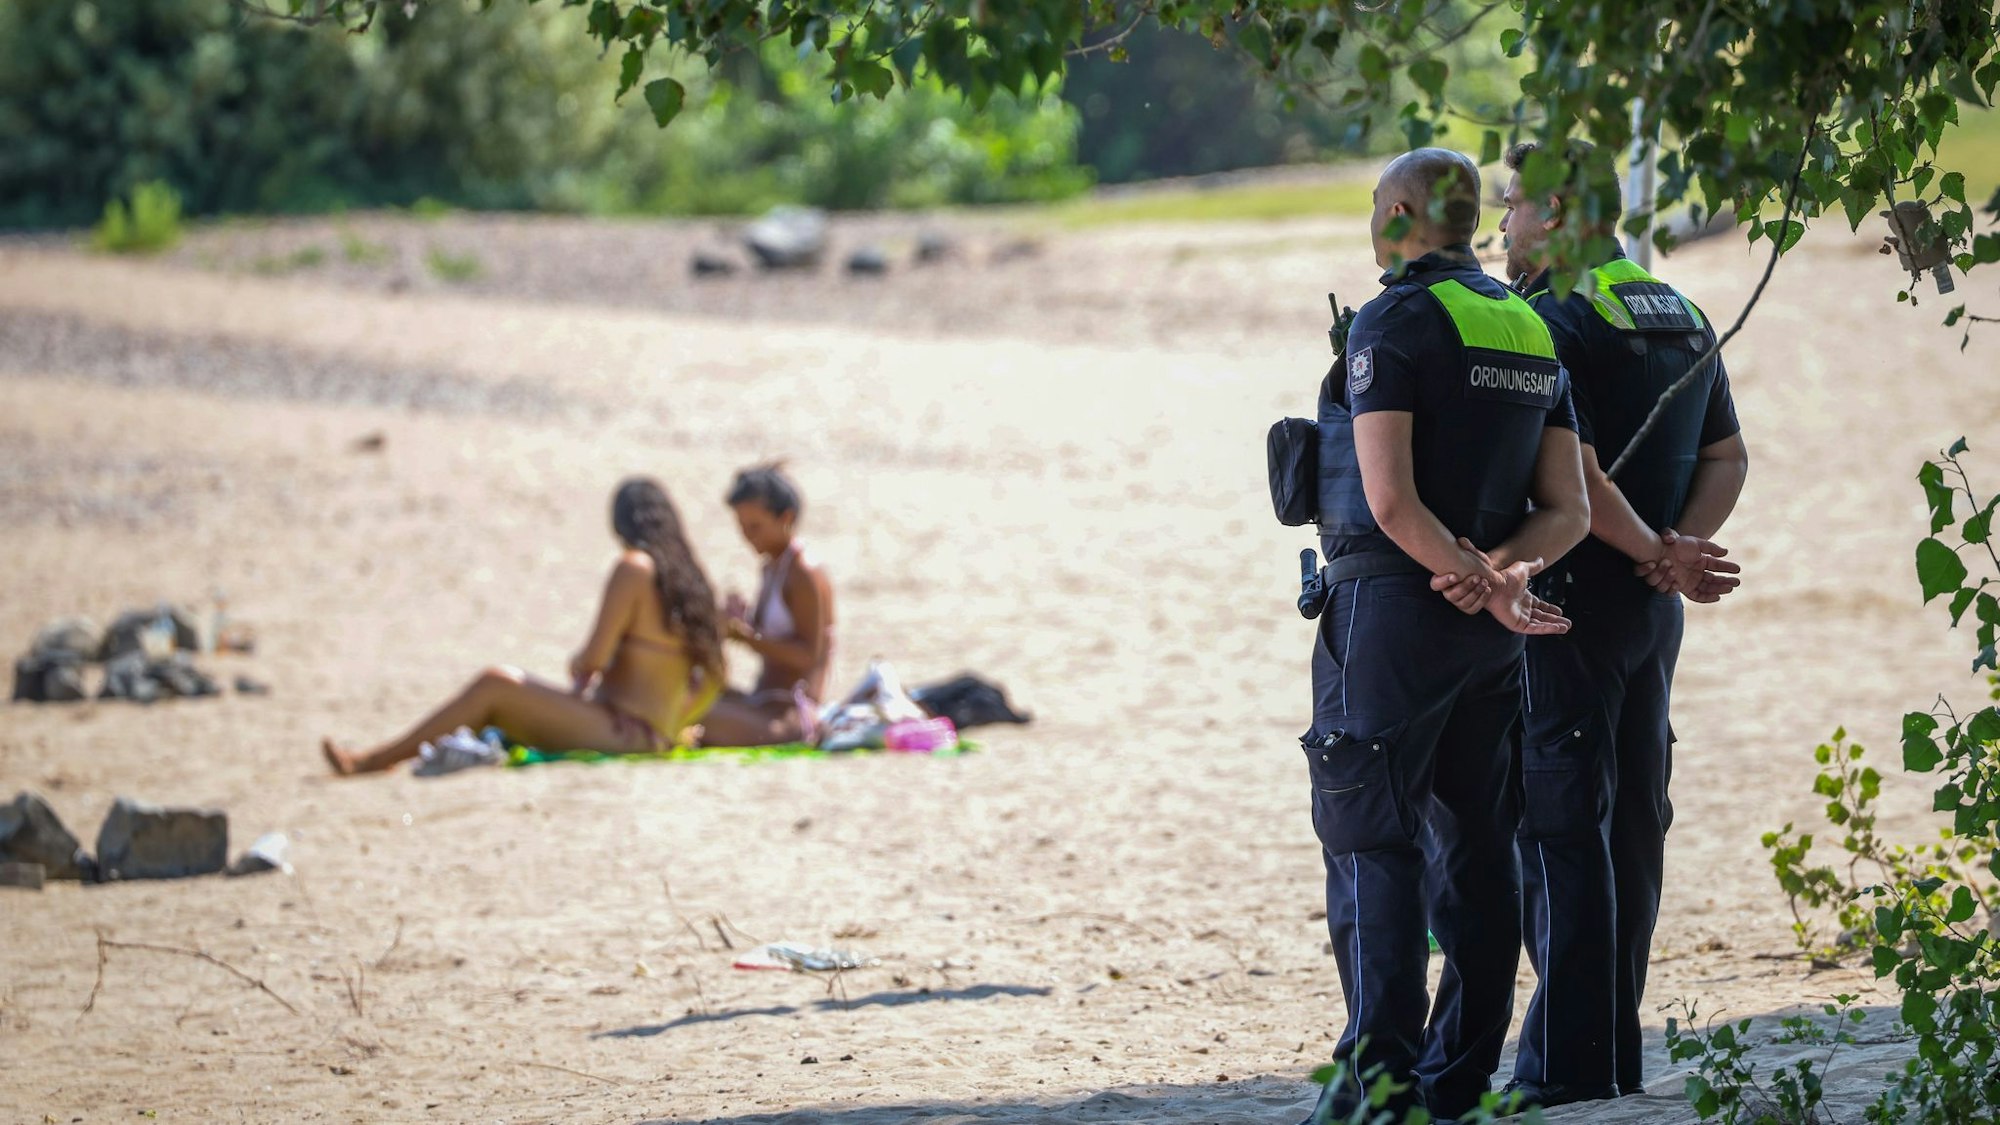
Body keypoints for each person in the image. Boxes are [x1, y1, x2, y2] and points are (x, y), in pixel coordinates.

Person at [1301, 147, 1592, 1124]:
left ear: (1395, 214)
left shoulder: (1390, 321)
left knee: (1369, 842)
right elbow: (1568, 509)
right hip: (1486, 639)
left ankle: (1375, 1086)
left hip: (1389, 617)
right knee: (1476, 850)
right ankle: (1456, 1079)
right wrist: (1502, 579)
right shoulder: (1526, 326)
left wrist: (1463, 572)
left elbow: (1387, 498)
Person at [1495, 139, 1749, 1108]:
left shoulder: (1545, 316)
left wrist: (1645, 544)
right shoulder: (1677, 310)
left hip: (1567, 602)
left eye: (1514, 205)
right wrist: (1679, 548)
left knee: (1559, 824)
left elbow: (1578, 474)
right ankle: (1611, 1051)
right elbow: (1725, 456)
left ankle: (1565, 1065)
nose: (1503, 225)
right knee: (1632, 820)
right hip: (1649, 613)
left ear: (1556, 213)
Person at [321, 478, 725, 775]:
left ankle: (374, 760)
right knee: (501, 699)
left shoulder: (634, 568)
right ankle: (383, 757)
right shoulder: (690, 580)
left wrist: (580, 664)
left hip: (622, 731)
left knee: (495, 683)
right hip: (654, 734)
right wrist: (675, 722)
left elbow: (592, 659)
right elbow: (715, 677)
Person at [695, 464, 836, 747]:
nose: (747, 536)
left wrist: (745, 636)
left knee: (693, 713)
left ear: (786, 518)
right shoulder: (773, 567)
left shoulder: (803, 572)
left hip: (791, 716)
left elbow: (808, 656)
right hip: (763, 702)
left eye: (755, 527)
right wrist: (739, 620)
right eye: (743, 527)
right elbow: (770, 637)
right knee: (685, 692)